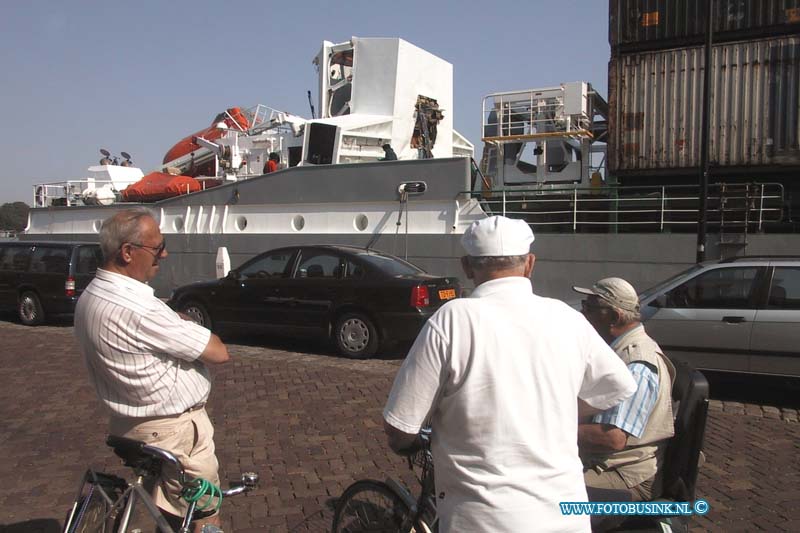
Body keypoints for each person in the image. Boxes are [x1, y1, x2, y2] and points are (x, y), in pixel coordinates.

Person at [383, 215, 637, 532]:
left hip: (481, 521)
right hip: (564, 519)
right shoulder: (565, 316)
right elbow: (619, 386)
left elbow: (400, 424)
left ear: (467, 266)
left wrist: (405, 442)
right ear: (530, 263)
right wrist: (560, 410)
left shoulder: (453, 319)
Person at [73, 208, 230, 532]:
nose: (165, 254)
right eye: (157, 248)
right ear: (128, 253)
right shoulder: (140, 308)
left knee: (168, 511)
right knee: (203, 515)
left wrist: (172, 323)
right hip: (174, 433)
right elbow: (218, 351)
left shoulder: (90, 296)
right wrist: (180, 322)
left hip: (130, 425)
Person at [573, 278, 676, 504]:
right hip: (600, 461)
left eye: (590, 307)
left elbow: (612, 438)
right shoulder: (614, 349)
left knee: (541, 492)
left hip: (624, 474)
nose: (583, 313)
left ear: (614, 317)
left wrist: (551, 429)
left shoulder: (636, 365)